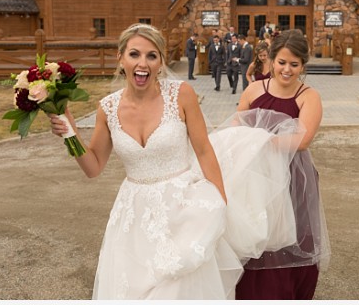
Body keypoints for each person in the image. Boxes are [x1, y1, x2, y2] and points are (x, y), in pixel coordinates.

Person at [47, 23, 240, 299]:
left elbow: (205, 152)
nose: (143, 63)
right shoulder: (108, 108)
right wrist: (70, 133)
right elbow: (93, 167)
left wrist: (220, 205)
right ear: (121, 58)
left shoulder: (181, 94)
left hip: (183, 211)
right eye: (135, 54)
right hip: (133, 218)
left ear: (161, 61)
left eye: (152, 56)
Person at [233, 29, 330, 300]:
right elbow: (236, 123)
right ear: (272, 60)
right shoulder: (254, 89)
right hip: (255, 174)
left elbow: (302, 139)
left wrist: (260, 141)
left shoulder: (308, 96)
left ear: (303, 65)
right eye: (282, 62)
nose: (287, 70)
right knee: (257, 230)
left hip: (292, 175)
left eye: (294, 64)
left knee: (288, 234)